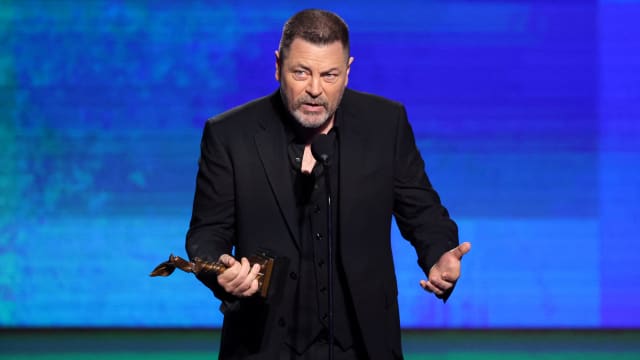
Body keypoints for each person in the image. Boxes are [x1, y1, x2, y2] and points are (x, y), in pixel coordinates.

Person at [185, 8, 471, 360]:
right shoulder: (230, 134)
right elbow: (206, 233)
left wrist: (439, 253)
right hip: (264, 346)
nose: (315, 90)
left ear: (348, 71)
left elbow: (422, 211)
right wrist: (221, 271)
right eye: (301, 73)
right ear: (277, 66)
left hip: (364, 345)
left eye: (330, 75)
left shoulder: (385, 124)